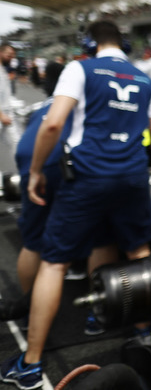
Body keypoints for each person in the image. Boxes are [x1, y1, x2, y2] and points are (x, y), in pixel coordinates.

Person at [0, 20, 151, 390]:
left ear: (89, 43)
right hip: (132, 177)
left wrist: (37, 171)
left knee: (55, 263)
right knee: (138, 253)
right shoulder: (144, 78)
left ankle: (31, 363)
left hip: (87, 176)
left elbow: (53, 124)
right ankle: (145, 332)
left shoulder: (79, 68)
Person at [0, 64, 73, 326]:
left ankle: (30, 311)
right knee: (100, 238)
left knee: (32, 241)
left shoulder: (41, 106)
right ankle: (94, 316)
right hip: (57, 161)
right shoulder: (80, 101)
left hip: (30, 157)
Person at [1, 42, 21, 164]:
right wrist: (1, 115)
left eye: (13, 55)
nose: (11, 58)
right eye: (9, 55)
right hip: (2, 115)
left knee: (17, 142)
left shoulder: (3, 70)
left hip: (7, 114)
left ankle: (24, 173)